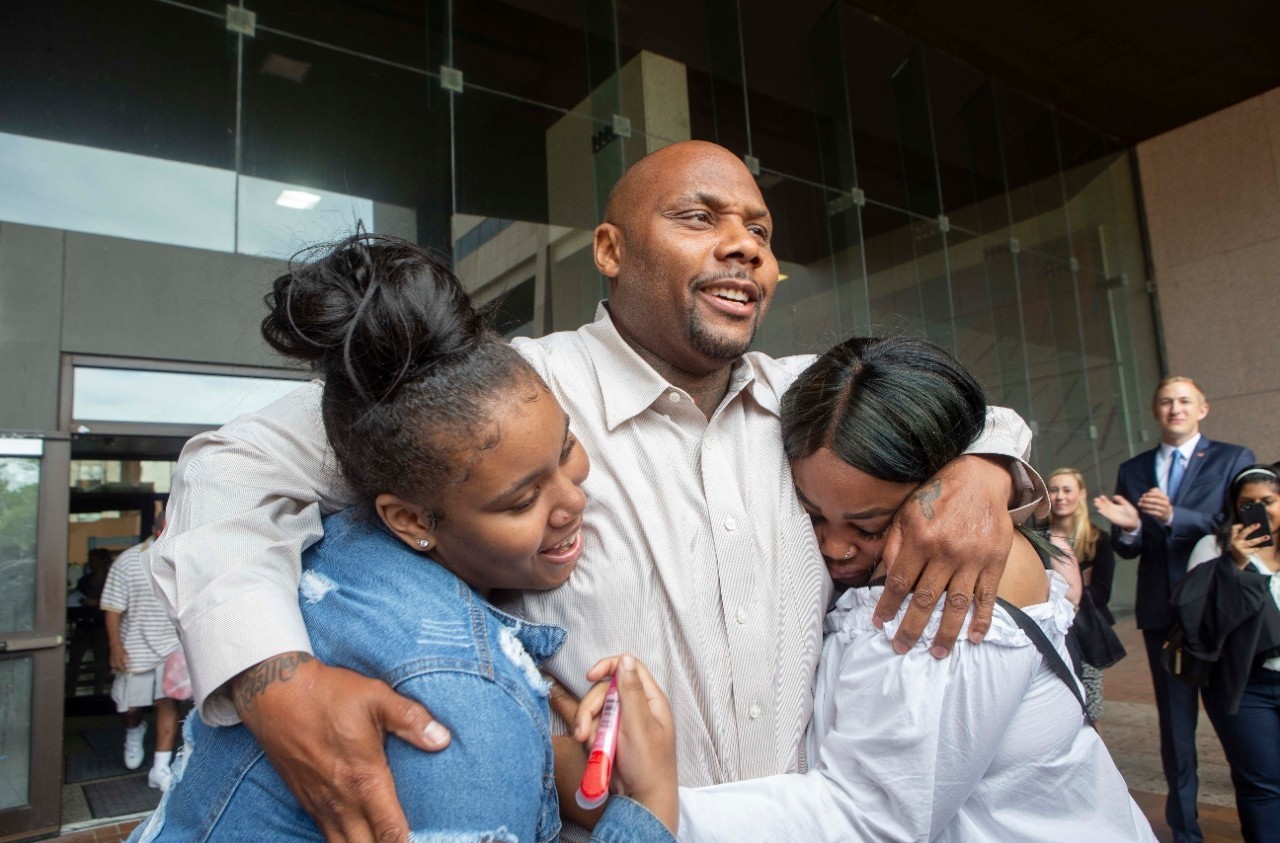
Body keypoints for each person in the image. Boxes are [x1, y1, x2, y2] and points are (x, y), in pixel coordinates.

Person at [148, 140, 1047, 842]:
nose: (743, 244)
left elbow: (973, 413)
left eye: (761, 231)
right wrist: (271, 677)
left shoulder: (814, 401)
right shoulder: (502, 394)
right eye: (699, 216)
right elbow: (232, 464)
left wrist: (981, 470)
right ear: (611, 251)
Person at [129, 234, 678, 842]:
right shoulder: (452, 698)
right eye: (522, 500)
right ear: (411, 521)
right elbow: (224, 469)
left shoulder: (351, 547)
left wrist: (537, 705)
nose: (575, 500)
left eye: (568, 446)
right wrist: (650, 806)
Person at [565, 336, 1152, 841]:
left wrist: (645, 807)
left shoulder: (949, 593)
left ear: (941, 486)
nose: (835, 548)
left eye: (869, 526)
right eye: (812, 515)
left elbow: (869, 819)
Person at [1094, 376, 1255, 843]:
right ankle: (1186, 832)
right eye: (1166, 401)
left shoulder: (1233, 458)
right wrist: (1128, 531)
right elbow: (1133, 548)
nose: (1175, 408)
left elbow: (1235, 527)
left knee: (1238, 723)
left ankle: (1260, 823)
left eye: (1185, 401)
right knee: (1176, 731)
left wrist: (1173, 517)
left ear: (1202, 408)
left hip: (1220, 611)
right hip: (1164, 614)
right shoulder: (1135, 467)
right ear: (1154, 410)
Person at [1176, 464, 1280, 843]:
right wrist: (1233, 565)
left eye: (1268, 501)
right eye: (1246, 503)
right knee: (1261, 783)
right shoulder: (1214, 548)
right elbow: (1202, 624)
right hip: (1244, 685)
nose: (1259, 510)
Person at [100, 523, 182, 791]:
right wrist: (115, 646)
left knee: (167, 703)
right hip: (135, 646)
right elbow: (112, 608)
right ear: (155, 528)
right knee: (130, 709)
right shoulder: (127, 561)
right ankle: (134, 730)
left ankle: (160, 768)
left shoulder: (184, 556)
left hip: (171, 646)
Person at [1048, 466, 1119, 721]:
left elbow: (1102, 593)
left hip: (1087, 630)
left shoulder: (1099, 539)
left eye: (1067, 490)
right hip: (1051, 631)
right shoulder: (1038, 536)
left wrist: (1063, 592)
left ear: (1081, 494)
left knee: (1088, 707)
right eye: (1054, 490)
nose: (1060, 496)